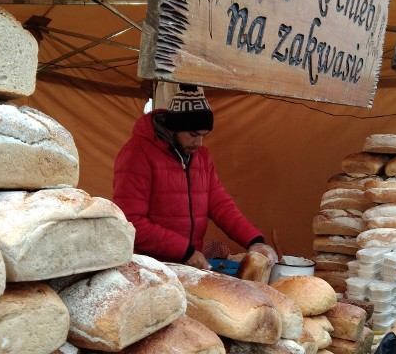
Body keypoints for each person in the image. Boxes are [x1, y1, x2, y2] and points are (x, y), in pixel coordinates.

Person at [112, 84, 276, 270]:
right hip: (148, 267)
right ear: (174, 128)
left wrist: (254, 240)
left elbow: (221, 205)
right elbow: (130, 222)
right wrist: (185, 251)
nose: (199, 143)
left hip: (187, 266)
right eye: (193, 135)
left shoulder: (201, 157)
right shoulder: (137, 153)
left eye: (203, 136)